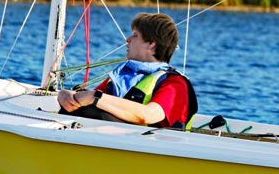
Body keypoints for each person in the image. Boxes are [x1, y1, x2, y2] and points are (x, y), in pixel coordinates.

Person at [58, 13, 198, 130]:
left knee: (95, 112)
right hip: (115, 143)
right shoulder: (123, 76)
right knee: (77, 110)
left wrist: (95, 98)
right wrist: (68, 96)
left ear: (151, 44)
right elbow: (88, 99)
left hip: (152, 151)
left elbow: (147, 115)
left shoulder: (175, 84)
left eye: (135, 35)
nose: (128, 39)